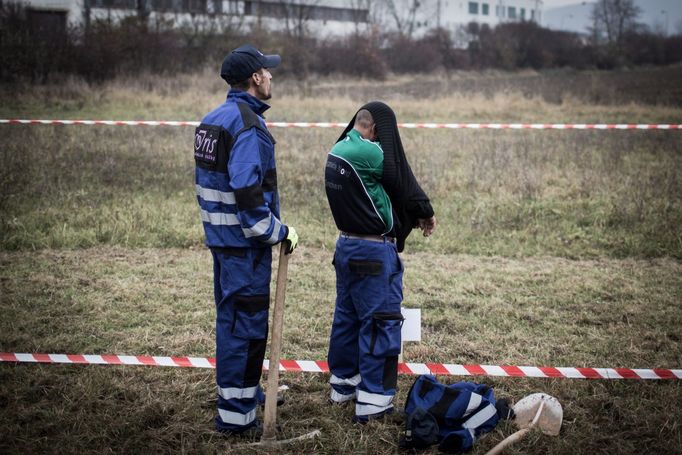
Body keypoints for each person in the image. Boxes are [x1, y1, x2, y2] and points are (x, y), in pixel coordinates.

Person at [193, 44, 298, 436]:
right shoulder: (249, 126)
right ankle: (236, 418)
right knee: (245, 328)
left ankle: (244, 392)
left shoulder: (212, 119)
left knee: (233, 321)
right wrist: (279, 232)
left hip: (223, 243)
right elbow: (248, 194)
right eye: (267, 71)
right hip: (244, 247)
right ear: (255, 78)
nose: (271, 76)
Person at [324, 102, 436, 423]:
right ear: (375, 129)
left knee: (347, 318)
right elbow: (401, 178)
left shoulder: (340, 148)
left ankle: (343, 386)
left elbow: (383, 191)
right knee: (381, 321)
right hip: (373, 251)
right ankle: (374, 402)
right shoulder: (370, 153)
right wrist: (424, 211)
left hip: (346, 245)